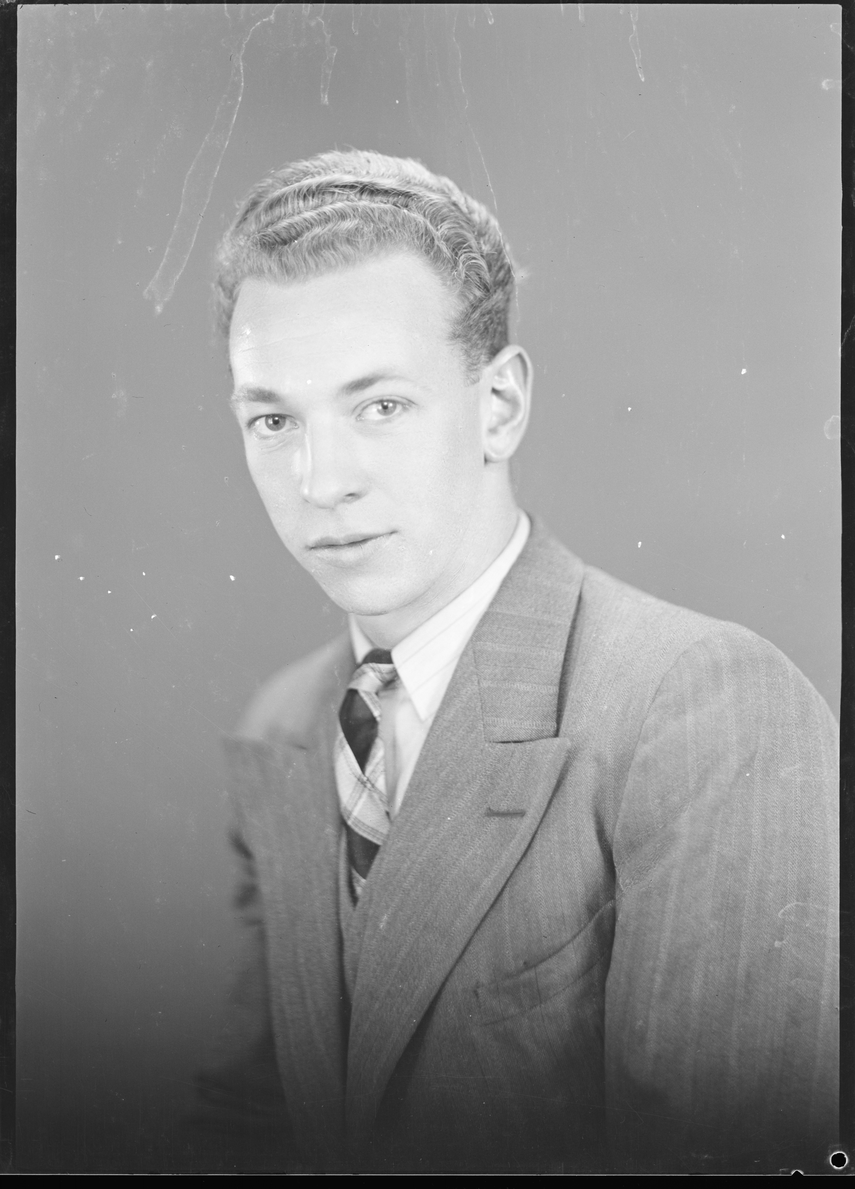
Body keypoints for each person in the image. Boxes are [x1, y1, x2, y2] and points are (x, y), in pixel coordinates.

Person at [188, 150, 839, 1174]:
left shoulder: (703, 709)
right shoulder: (282, 726)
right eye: (273, 420)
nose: (320, 481)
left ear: (499, 406)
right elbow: (244, 1128)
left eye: (380, 406)